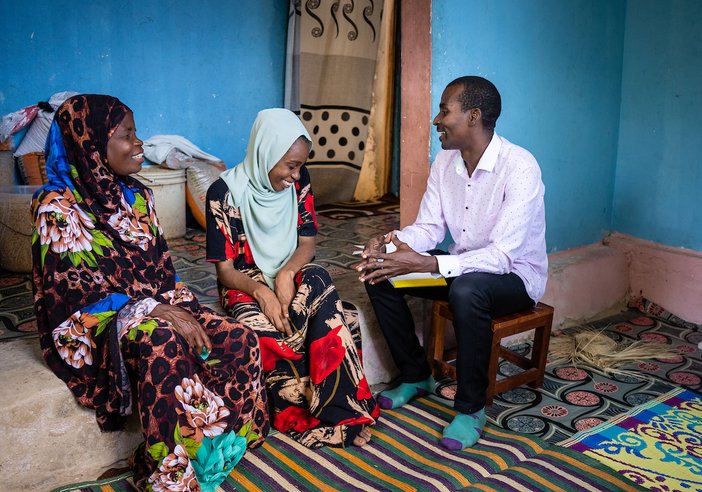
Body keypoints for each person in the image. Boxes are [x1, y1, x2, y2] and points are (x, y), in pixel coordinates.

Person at [31, 94, 269, 491]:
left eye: (137, 134)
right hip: (94, 325)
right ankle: (171, 476)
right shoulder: (56, 207)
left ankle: (222, 447)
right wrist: (150, 311)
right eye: (127, 135)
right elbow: (73, 297)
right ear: (91, 143)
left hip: (156, 304)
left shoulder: (137, 196)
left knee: (238, 339)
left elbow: (163, 275)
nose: (139, 143)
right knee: (162, 342)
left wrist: (178, 308)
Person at [355, 76, 547, 451]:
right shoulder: (445, 162)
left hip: (514, 278)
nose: (436, 120)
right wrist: (394, 244)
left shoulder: (520, 167)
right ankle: (416, 375)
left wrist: (428, 265)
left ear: (473, 116)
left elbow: (502, 255)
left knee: (467, 289)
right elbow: (430, 226)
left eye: (445, 111)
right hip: (461, 267)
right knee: (380, 273)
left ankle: (471, 408)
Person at [205, 108, 378, 449]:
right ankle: (306, 414)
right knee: (272, 334)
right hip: (245, 281)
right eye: (289, 166)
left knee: (319, 277)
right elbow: (226, 271)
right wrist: (262, 293)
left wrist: (286, 274)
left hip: (291, 270)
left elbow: (308, 243)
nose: (296, 176)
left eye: (300, 166)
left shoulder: (300, 182)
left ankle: (340, 411)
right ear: (264, 153)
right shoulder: (223, 193)